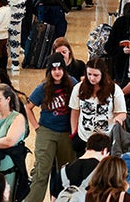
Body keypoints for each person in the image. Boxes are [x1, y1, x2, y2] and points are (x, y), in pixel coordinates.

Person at [22, 54, 76, 202]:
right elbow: (28, 107)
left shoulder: (72, 83)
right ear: (49, 71)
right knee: (41, 172)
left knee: (66, 172)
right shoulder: (43, 88)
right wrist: (36, 127)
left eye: (60, 68)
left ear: (64, 70)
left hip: (67, 132)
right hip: (46, 131)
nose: (57, 72)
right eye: (53, 69)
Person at [69, 57, 127, 154]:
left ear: (103, 74)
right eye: (89, 74)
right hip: (84, 138)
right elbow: (75, 111)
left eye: (96, 75)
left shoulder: (114, 89)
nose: (92, 78)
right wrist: (74, 132)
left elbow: (122, 113)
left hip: (105, 139)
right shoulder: (78, 88)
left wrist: (118, 119)